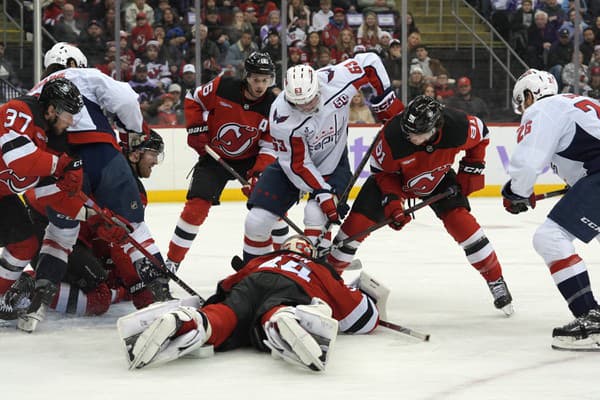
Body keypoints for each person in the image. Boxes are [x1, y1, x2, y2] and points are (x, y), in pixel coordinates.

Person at [22, 43, 171, 330]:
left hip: (57, 162)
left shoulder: (33, 94)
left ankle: (37, 303)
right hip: (98, 152)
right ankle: (159, 292)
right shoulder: (83, 75)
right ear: (75, 62)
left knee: (60, 234)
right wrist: (132, 128)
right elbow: (126, 99)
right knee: (134, 226)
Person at [326, 95, 514, 316]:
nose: (410, 137)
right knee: (353, 229)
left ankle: (496, 279)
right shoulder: (393, 135)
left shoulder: (458, 126)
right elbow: (383, 173)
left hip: (438, 176)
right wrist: (393, 202)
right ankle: (326, 282)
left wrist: (471, 169)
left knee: (464, 227)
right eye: (408, 131)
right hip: (393, 179)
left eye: (417, 134)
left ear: (436, 127)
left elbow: (482, 135)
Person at [117, 235, 381, 371]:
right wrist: (369, 302)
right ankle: (282, 321)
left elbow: (228, 284)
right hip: (292, 288)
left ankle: (189, 321)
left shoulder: (261, 260)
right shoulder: (317, 267)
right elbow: (359, 317)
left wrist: (210, 305)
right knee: (277, 308)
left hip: (251, 282)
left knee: (225, 314)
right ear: (308, 252)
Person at [241, 52, 404, 261]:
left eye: (309, 100)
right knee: (256, 221)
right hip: (293, 167)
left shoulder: (336, 79)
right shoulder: (281, 116)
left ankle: (314, 272)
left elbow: (370, 62)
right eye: (298, 104)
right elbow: (298, 165)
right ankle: (255, 274)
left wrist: (386, 102)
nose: (306, 107)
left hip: (334, 162)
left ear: (317, 87)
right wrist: (322, 192)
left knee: (315, 214)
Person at [503, 68, 600, 350]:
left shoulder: (543, 109)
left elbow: (528, 161)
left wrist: (516, 192)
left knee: (549, 238)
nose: (523, 108)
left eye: (523, 101)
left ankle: (590, 318)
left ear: (530, 94)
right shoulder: (576, 102)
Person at [166, 52, 287, 272]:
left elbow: (269, 145)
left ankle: (284, 261)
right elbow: (193, 99)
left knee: (273, 204)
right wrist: (195, 128)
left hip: (252, 159)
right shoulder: (224, 86)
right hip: (214, 156)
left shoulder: (274, 105)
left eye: (265, 80)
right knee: (196, 207)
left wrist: (259, 173)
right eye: (255, 79)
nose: (260, 86)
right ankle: (172, 262)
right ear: (246, 77)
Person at [0, 78, 84, 321]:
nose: (70, 121)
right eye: (68, 113)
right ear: (51, 109)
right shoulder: (19, 111)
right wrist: (62, 165)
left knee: (25, 243)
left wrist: (92, 213)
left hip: (3, 196)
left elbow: (51, 192)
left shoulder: (49, 136)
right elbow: (20, 159)